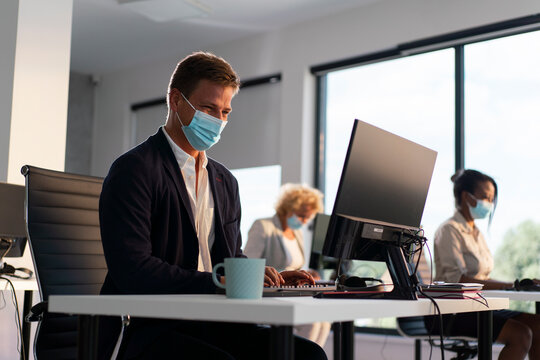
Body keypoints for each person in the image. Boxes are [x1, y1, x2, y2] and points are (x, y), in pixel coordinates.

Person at [98, 51, 326, 360]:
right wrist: (219, 281)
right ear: (176, 100)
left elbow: (229, 258)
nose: (218, 120)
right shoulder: (135, 170)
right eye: (208, 108)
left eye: (225, 112)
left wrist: (272, 277)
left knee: (308, 355)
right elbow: (133, 270)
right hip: (153, 328)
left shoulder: (224, 181)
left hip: (217, 324)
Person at [431, 169, 540, 360]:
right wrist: (510, 286)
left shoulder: (477, 233)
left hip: (481, 306)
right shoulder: (449, 230)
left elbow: (483, 279)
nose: (489, 203)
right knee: (521, 335)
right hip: (455, 312)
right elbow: (458, 280)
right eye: (485, 197)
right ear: (466, 196)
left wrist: (520, 285)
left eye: (491, 199)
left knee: (538, 326)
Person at [244, 183, 331, 347]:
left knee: (324, 322)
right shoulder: (263, 226)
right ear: (287, 208)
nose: (304, 221)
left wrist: (306, 274)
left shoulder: (297, 232)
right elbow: (249, 264)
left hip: (290, 295)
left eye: (308, 218)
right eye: (301, 215)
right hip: (268, 295)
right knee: (311, 323)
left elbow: (295, 266)